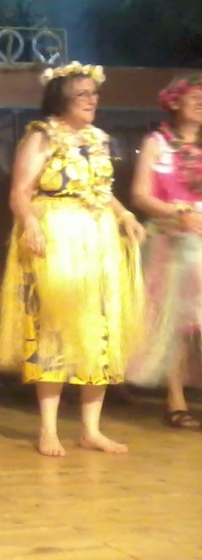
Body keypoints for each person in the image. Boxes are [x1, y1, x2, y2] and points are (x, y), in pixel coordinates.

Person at [0, 61, 144, 457]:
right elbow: (19, 191)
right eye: (83, 94)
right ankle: (48, 429)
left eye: (94, 94)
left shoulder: (98, 138)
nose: (92, 100)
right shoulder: (42, 137)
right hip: (55, 237)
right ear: (62, 98)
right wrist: (30, 223)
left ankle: (90, 429)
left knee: (99, 329)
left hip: (97, 240)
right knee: (54, 330)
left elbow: (100, 189)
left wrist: (124, 214)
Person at [128, 73, 202, 428]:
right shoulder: (157, 143)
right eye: (195, 96)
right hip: (172, 241)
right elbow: (141, 195)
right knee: (175, 323)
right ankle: (176, 401)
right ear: (174, 102)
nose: (201, 102)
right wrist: (177, 212)